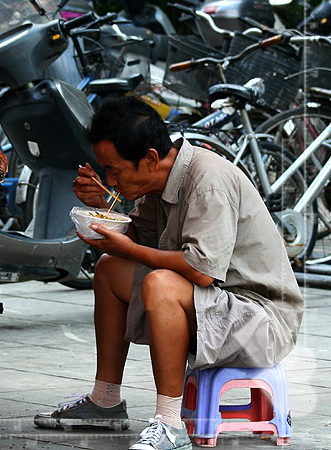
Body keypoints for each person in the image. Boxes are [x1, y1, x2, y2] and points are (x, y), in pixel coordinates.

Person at [33, 96, 304, 450]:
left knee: (159, 283)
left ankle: (170, 424)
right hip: (216, 307)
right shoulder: (158, 181)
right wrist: (101, 207)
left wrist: (128, 248)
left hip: (261, 320)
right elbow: (138, 242)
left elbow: (201, 271)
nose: (111, 180)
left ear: (149, 158)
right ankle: (105, 400)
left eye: (116, 170)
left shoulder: (207, 180)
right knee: (110, 269)